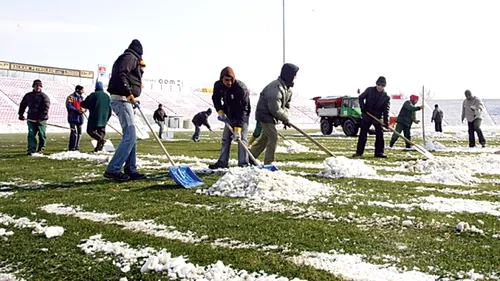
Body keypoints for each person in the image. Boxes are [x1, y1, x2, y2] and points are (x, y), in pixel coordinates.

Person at [104, 39, 145, 181]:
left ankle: (131, 169)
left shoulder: (129, 58)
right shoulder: (130, 57)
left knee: (131, 136)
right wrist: (129, 93)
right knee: (130, 135)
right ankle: (113, 169)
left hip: (125, 99)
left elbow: (127, 76)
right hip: (121, 99)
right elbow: (121, 75)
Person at [250, 63, 299, 164]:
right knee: (273, 137)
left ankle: (249, 158)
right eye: (294, 75)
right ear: (289, 75)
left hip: (273, 115)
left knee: (264, 139)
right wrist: (285, 119)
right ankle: (269, 163)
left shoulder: (288, 89)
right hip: (264, 114)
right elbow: (274, 109)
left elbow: (286, 106)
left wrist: (285, 117)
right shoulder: (275, 88)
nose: (295, 77)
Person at [208, 66, 251, 169]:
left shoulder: (240, 88)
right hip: (229, 115)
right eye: (226, 80)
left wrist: (237, 128)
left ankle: (243, 164)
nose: (229, 83)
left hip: (242, 116)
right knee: (226, 139)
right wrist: (220, 111)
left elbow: (244, 109)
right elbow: (216, 99)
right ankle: (222, 162)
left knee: (242, 140)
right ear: (221, 79)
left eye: (231, 80)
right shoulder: (218, 86)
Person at [352, 76, 390, 158]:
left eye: (382, 86)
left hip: (377, 117)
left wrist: (386, 122)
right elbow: (361, 98)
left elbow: (386, 110)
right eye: (379, 85)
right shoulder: (369, 90)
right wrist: (363, 108)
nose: (380, 87)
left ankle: (379, 153)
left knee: (380, 134)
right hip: (367, 114)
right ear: (376, 84)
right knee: (363, 134)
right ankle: (359, 152)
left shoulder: (386, 97)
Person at [18, 79, 51, 156]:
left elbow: (45, 109)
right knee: (31, 135)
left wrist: (41, 118)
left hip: (41, 120)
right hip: (31, 118)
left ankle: (41, 149)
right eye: (36, 85)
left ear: (41, 87)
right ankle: (31, 150)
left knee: (42, 135)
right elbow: (22, 105)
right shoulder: (28, 95)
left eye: (39, 86)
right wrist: (20, 114)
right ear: (33, 86)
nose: (38, 87)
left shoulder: (44, 97)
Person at [81, 81, 111, 152]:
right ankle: (98, 148)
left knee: (90, 130)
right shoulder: (107, 96)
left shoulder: (94, 95)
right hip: (104, 118)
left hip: (95, 117)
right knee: (101, 132)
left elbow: (85, 104)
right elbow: (110, 108)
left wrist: (82, 102)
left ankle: (101, 140)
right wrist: (107, 117)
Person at [66, 85, 85, 151]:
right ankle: (72, 147)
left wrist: (84, 110)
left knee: (79, 133)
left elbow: (85, 106)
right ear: (78, 90)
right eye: (82, 90)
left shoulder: (82, 98)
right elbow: (69, 106)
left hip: (80, 118)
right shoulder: (71, 97)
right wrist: (77, 110)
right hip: (72, 118)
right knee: (74, 133)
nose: (83, 91)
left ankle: (77, 147)